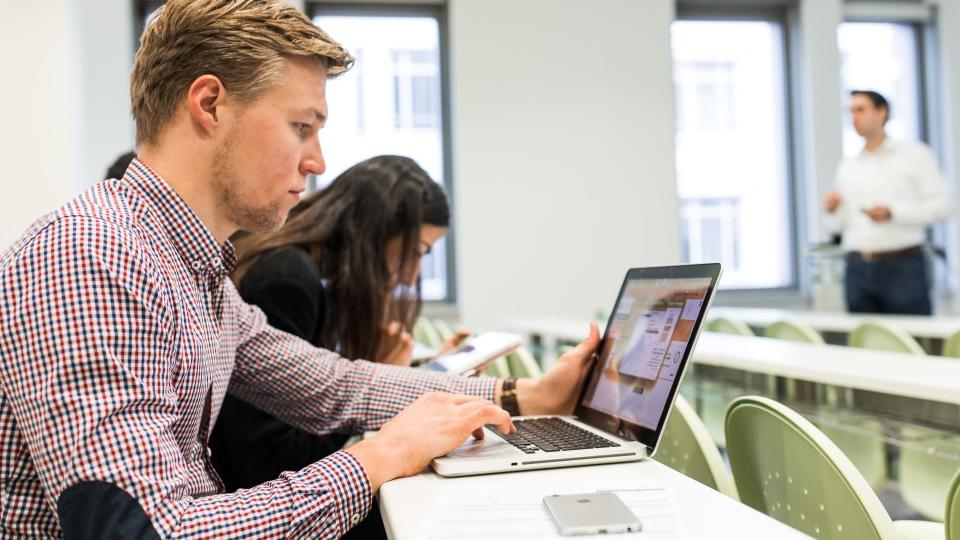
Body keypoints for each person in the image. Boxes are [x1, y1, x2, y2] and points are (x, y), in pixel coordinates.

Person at [0, 1, 600, 538]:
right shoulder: (92, 256)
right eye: (302, 127)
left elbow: (335, 386)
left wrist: (522, 395)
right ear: (209, 103)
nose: (316, 160)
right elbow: (145, 530)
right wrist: (380, 457)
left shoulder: (190, 269)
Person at [211, 154, 469, 492]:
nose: (412, 274)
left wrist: (421, 369)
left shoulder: (308, 271)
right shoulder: (286, 278)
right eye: (416, 251)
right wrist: (374, 378)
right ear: (375, 233)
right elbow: (273, 460)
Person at [824, 90, 951, 315]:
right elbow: (837, 225)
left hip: (903, 266)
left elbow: (943, 205)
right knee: (864, 340)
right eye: (851, 111)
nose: (854, 117)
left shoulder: (915, 155)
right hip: (857, 268)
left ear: (882, 113)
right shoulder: (848, 165)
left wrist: (893, 213)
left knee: (912, 340)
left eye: (860, 110)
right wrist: (832, 210)